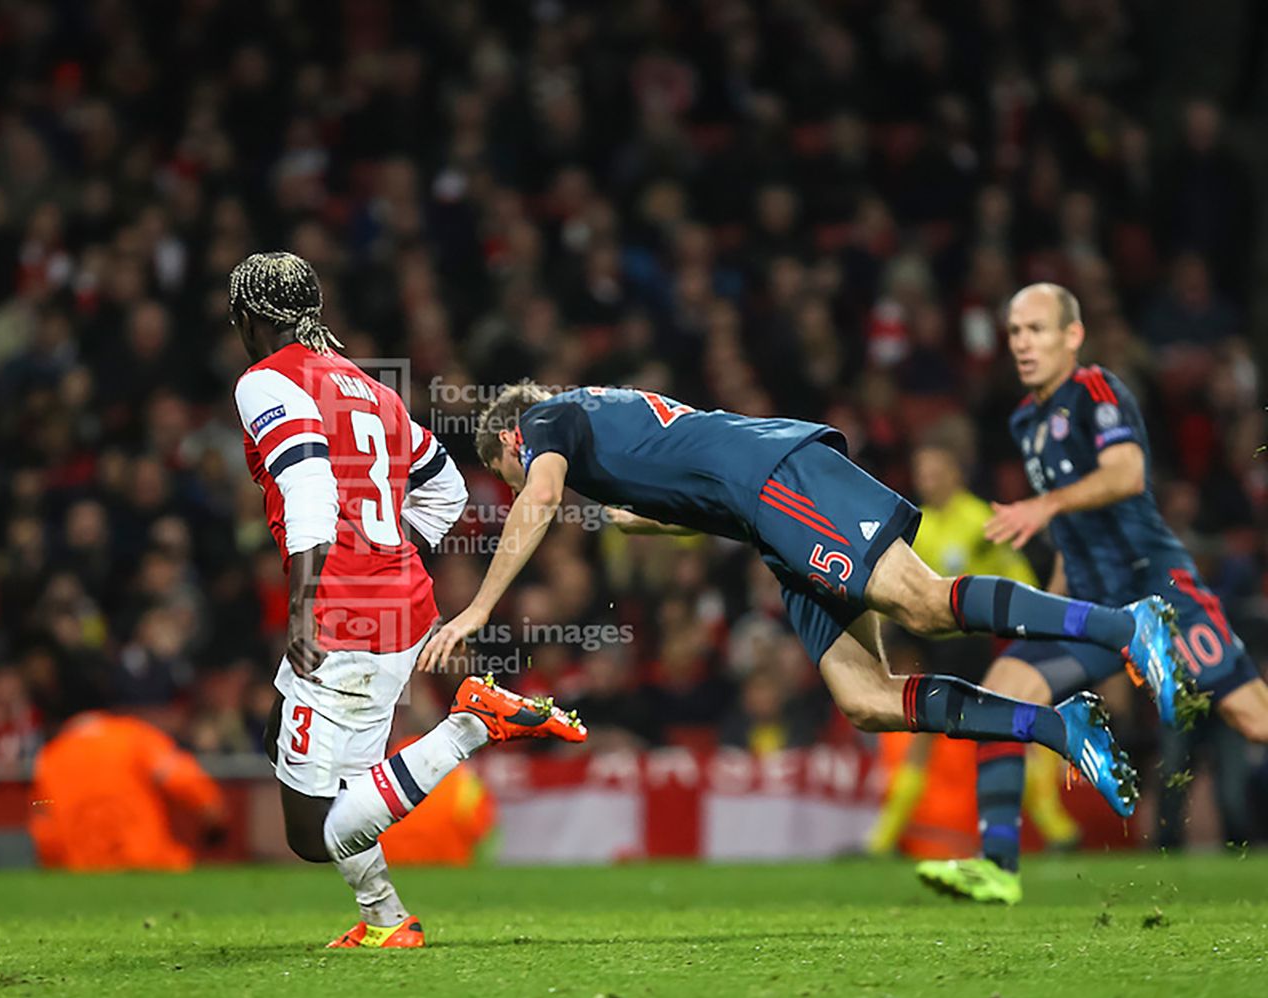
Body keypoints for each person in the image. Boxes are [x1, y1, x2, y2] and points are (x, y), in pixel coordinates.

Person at [420, 373, 1204, 818]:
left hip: (780, 480)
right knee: (865, 698)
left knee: (924, 603)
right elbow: (684, 481)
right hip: (766, 518)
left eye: (507, 472)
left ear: (512, 441)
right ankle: (1060, 726)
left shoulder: (547, 419)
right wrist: (645, 517)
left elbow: (541, 496)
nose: (516, 485)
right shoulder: (598, 422)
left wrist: (480, 607)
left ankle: (1126, 625)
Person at [227, 252, 584, 950]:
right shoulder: (370, 388)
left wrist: (304, 603)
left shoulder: (266, 380)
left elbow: (308, 489)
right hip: (395, 605)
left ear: (251, 319)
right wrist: (385, 550)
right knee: (286, 739)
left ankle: (470, 725)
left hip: (341, 609)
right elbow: (447, 489)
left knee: (314, 834)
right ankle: (387, 919)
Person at [917, 283, 1268, 904]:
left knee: (1252, 717)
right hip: (1093, 608)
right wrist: (1047, 613)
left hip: (1159, 594)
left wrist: (1045, 505)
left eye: (1037, 329)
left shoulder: (1095, 390)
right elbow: (1071, 538)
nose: (1023, 343)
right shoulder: (1026, 422)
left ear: (1071, 336)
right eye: (1015, 332)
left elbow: (1127, 474)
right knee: (999, 691)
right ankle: (997, 865)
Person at [866, 437, 1080, 860]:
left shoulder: (979, 520)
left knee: (1006, 730)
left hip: (976, 645)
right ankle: (883, 841)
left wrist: (1035, 619)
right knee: (933, 736)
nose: (926, 479)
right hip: (934, 646)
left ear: (955, 473)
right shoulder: (917, 523)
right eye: (921, 472)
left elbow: (1015, 574)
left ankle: (1057, 828)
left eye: (934, 471)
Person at [29, 710, 225, 871]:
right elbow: (180, 776)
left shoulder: (51, 757)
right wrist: (210, 806)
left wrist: (56, 867)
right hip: (149, 863)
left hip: (87, 872)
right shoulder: (132, 736)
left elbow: (45, 827)